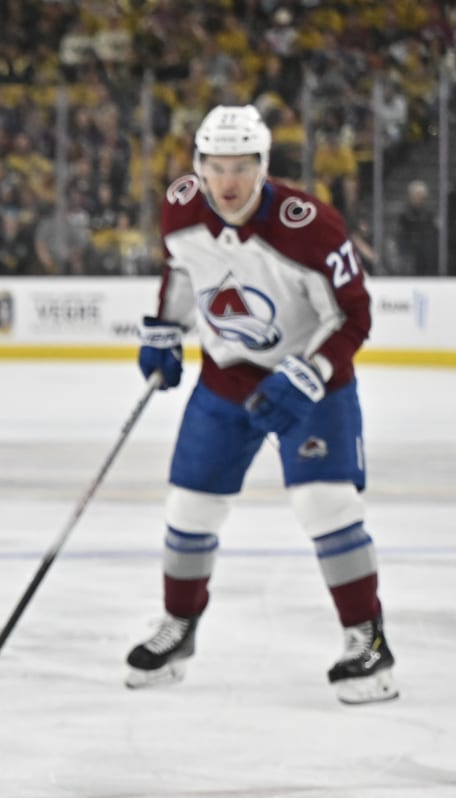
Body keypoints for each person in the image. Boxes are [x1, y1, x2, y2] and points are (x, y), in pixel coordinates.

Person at [130, 105, 394, 704]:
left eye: (242, 167)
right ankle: (179, 628)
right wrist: (165, 329)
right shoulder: (180, 207)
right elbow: (181, 271)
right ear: (198, 166)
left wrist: (309, 374)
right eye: (216, 167)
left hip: (312, 383)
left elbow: (353, 316)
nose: (228, 182)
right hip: (226, 377)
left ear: (264, 167)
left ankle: (368, 641)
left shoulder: (311, 226)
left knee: (325, 504)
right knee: (190, 507)